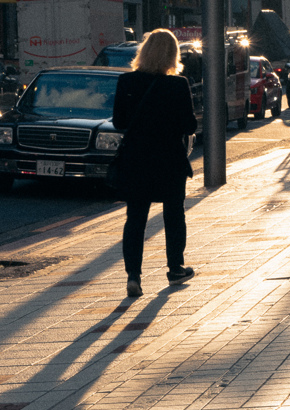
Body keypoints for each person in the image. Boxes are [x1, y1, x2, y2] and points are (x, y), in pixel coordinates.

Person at [112, 28, 198, 298]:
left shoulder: (126, 83)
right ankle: (175, 268)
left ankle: (133, 276)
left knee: (135, 217)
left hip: (136, 159)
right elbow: (190, 124)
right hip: (169, 159)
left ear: (144, 52)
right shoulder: (177, 85)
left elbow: (119, 122)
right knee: (174, 214)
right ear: (173, 55)